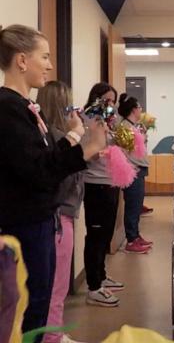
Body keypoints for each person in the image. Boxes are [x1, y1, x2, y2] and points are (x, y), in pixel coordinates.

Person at [0, 24, 106, 341]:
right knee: (28, 311)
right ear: (22, 60)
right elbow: (40, 172)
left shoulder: (27, 109)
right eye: (44, 57)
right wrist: (85, 147)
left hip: (38, 223)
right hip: (22, 226)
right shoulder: (8, 108)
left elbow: (44, 161)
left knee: (39, 305)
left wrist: (79, 140)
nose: (48, 64)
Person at [36, 81, 85, 343]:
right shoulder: (57, 139)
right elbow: (59, 180)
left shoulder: (51, 136)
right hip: (58, 218)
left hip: (61, 216)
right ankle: (52, 337)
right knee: (56, 286)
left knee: (52, 284)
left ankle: (53, 333)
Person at [83, 82, 124, 307]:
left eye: (113, 102)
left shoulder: (107, 121)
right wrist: (103, 151)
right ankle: (93, 287)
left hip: (110, 182)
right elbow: (85, 152)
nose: (111, 106)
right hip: (95, 184)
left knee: (106, 234)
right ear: (96, 99)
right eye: (107, 101)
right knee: (96, 237)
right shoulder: (88, 120)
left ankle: (101, 275)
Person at [117, 94, 153, 254]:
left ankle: (136, 236)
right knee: (133, 205)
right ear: (133, 110)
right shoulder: (125, 127)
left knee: (136, 204)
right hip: (134, 170)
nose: (141, 110)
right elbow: (125, 151)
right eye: (139, 107)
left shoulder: (133, 126)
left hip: (139, 167)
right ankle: (131, 239)